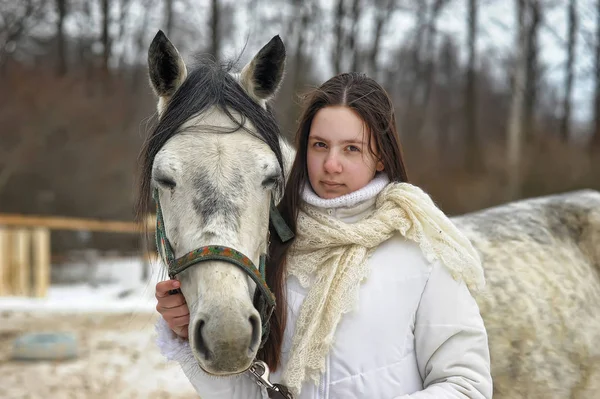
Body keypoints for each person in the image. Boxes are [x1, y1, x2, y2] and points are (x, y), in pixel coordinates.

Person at [155, 72, 493, 398]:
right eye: (320, 145)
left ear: (380, 157)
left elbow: (466, 386)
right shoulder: (272, 252)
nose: (331, 164)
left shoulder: (423, 249)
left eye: (351, 149)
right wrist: (187, 336)